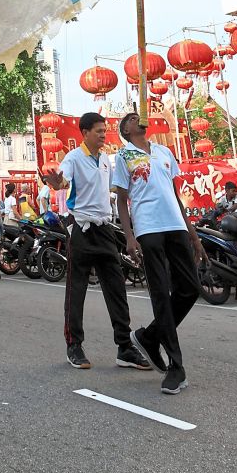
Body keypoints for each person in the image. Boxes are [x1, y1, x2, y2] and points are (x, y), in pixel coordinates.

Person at [43, 112, 148, 372]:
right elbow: (64, 180)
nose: (103, 134)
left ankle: (125, 347)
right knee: (76, 290)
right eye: (99, 131)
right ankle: (74, 346)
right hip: (81, 229)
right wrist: (59, 183)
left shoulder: (104, 160)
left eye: (104, 130)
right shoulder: (73, 158)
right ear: (85, 132)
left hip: (104, 230)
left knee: (116, 289)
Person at [114, 113, 204, 395]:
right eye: (130, 118)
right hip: (148, 228)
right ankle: (176, 367)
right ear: (126, 131)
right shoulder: (123, 156)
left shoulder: (164, 152)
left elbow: (175, 195)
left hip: (176, 225)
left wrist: (193, 234)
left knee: (190, 289)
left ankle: (149, 336)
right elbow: (121, 199)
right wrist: (129, 237)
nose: (137, 118)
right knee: (161, 294)